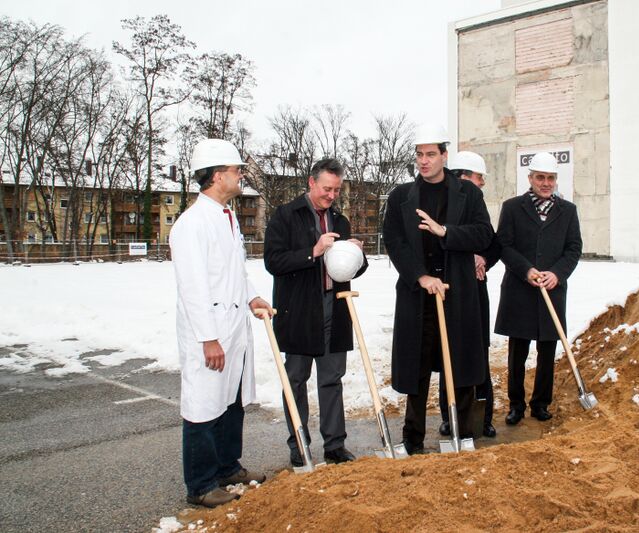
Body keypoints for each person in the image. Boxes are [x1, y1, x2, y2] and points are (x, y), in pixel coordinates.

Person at [169, 138, 271, 508]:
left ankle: (227, 467)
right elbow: (193, 287)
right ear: (216, 176)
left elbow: (233, 272)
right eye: (235, 170)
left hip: (233, 325)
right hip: (210, 331)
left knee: (231, 402)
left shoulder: (227, 217)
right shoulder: (191, 225)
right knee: (203, 405)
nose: (240, 175)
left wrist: (252, 296)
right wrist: (208, 338)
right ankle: (200, 484)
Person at [382, 124, 493, 454]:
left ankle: (462, 433)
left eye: (431, 154)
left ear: (445, 156)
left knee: (460, 365)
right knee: (416, 368)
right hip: (418, 295)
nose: (424, 160)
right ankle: (412, 438)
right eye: (419, 154)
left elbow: (483, 234)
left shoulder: (467, 193)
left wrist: (445, 231)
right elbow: (395, 242)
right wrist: (420, 276)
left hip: (457, 292)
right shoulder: (401, 196)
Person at [264, 158, 367, 467]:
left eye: (336, 190)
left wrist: (357, 256)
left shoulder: (340, 220)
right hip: (299, 310)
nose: (332, 195)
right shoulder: (285, 216)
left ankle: (335, 445)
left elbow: (352, 270)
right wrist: (314, 251)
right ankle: (299, 443)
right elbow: (274, 262)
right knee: (295, 378)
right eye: (326, 189)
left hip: (334, 307)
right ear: (311, 182)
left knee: (332, 378)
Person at [495, 151, 582, 424]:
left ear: (556, 179)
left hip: (551, 291)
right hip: (520, 291)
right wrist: (526, 269)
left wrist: (557, 274)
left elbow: (573, 248)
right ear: (530, 178)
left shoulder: (568, 211)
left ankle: (541, 403)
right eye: (540, 177)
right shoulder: (512, 208)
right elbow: (503, 245)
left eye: (550, 178)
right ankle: (516, 405)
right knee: (517, 353)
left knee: (547, 351)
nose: (546, 183)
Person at [436, 151, 501, 439]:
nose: (482, 183)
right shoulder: (443, 205)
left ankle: (483, 418)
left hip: (475, 292)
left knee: (478, 353)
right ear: (462, 176)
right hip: (449, 291)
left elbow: (494, 242)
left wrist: (482, 258)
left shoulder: (477, 205)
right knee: (448, 352)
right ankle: (449, 416)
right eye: (479, 177)